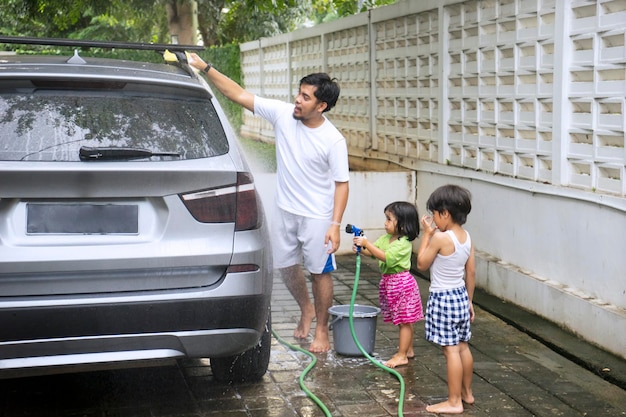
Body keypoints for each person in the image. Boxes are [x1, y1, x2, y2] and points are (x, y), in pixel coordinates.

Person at [187, 53, 349, 353]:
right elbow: (237, 93)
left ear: (321, 105)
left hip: (318, 217)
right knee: (286, 266)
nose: (297, 100)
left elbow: (342, 185)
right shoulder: (283, 114)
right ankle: (306, 309)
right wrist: (205, 67)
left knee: (319, 272)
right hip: (285, 210)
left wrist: (335, 225)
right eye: (298, 93)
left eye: (305, 97)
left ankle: (323, 330)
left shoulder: (333, 140)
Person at [416, 184, 476, 414]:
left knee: (450, 350)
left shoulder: (441, 238)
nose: (433, 219)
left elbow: (421, 264)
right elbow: (470, 272)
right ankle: (466, 393)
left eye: (434, 214)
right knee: (462, 347)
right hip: (461, 296)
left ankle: (453, 402)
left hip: (443, 298)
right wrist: (469, 301)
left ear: (445, 213)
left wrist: (426, 236)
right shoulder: (467, 237)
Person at [352, 201, 423, 368]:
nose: (385, 223)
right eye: (386, 218)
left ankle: (401, 355)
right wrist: (361, 247)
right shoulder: (386, 239)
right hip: (390, 284)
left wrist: (367, 243)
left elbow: (387, 258)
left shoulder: (403, 244)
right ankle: (408, 350)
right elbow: (372, 253)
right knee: (402, 320)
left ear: (404, 224)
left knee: (405, 320)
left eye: (389, 219)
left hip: (402, 285)